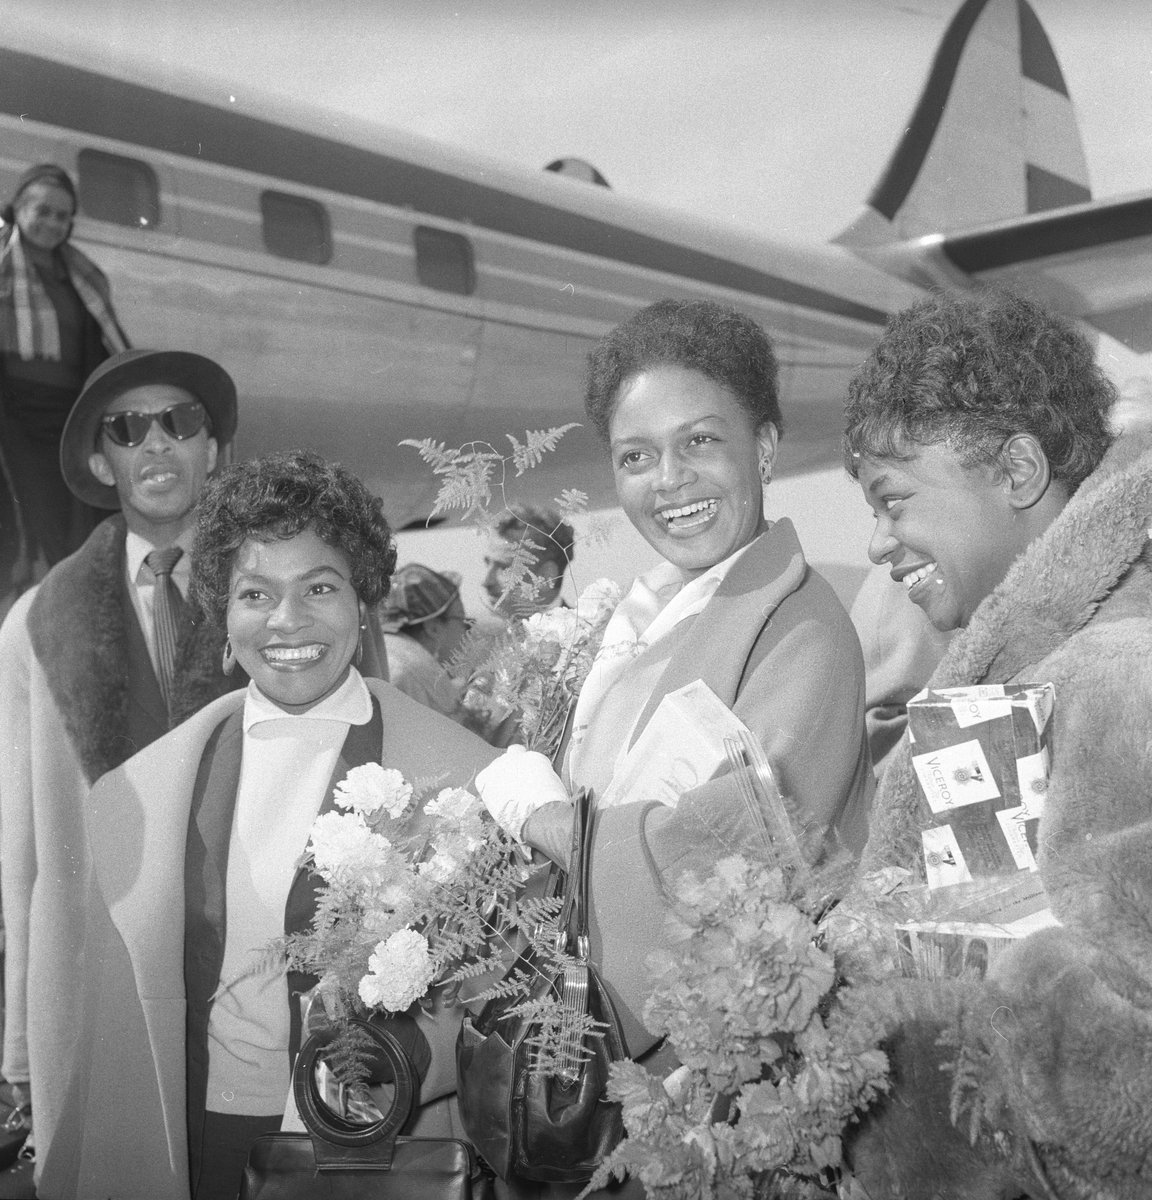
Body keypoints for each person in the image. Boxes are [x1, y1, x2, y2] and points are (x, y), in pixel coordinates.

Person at [42, 451, 499, 1200]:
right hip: (196, 1143)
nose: (286, 620)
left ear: (363, 601)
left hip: (370, 1148)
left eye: (319, 587)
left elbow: (483, 1002)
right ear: (223, 611)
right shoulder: (151, 787)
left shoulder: (456, 778)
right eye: (256, 593)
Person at [476, 299, 874, 1079]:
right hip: (592, 1046)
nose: (669, 481)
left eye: (699, 441)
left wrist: (550, 822)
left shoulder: (800, 630)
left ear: (762, 448)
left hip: (704, 1073)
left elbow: (739, 857)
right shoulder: (637, 619)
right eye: (635, 457)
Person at [841, 292, 1152, 1199]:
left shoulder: (1117, 671)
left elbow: (1119, 1072)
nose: (874, 542)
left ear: (1018, 468)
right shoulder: (1020, 675)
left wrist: (891, 997)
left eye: (895, 500)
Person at [0, 347, 242, 1182]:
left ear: (212, 448)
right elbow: (25, 858)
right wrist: (25, 1046)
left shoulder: (298, 588)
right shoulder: (37, 624)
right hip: (103, 983)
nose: (158, 443)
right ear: (103, 462)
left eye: (180, 421)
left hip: (254, 974)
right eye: (129, 428)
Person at [0, 164, 130, 587]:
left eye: (62, 216)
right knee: (27, 516)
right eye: (43, 211)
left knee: (73, 517)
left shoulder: (81, 275)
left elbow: (102, 343)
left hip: (69, 415)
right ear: (18, 208)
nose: (53, 224)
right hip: (13, 415)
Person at [377, 562, 474, 724]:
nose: (467, 631)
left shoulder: (379, 651)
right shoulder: (422, 675)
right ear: (433, 628)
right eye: (462, 621)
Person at [482, 502, 574, 619]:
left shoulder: (584, 634)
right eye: (487, 563)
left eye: (504, 568)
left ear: (546, 577)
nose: (486, 582)